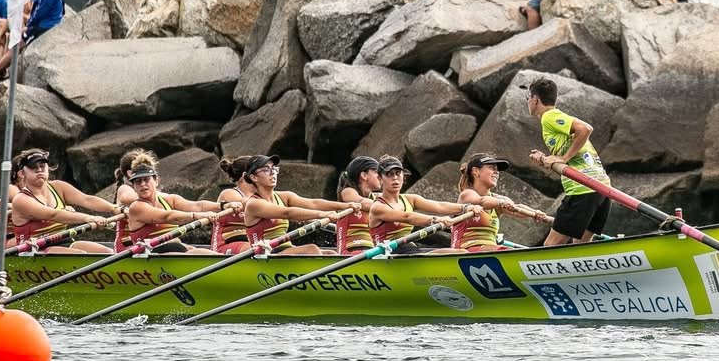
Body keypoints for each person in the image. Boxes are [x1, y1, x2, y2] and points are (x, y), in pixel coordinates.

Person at [525, 78, 611, 246]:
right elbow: (566, 151)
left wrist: (564, 159)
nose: (528, 101)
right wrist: (545, 158)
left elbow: (585, 129)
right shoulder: (555, 120)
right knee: (580, 247)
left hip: (583, 188)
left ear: (534, 99)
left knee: (550, 246)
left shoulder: (549, 116)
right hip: (602, 187)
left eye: (527, 97)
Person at [215, 155, 348, 255]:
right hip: (265, 253)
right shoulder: (253, 203)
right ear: (253, 177)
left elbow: (313, 203)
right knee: (312, 249)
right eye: (266, 170)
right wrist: (322, 214)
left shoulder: (283, 196)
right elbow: (287, 213)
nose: (273, 173)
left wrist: (346, 206)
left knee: (330, 254)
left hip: (282, 249)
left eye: (274, 169)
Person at [5, 148, 118, 254]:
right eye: (33, 167)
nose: (39, 170)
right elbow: (53, 214)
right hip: (33, 249)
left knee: (107, 252)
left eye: (42, 166)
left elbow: (87, 200)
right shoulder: (21, 199)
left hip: (63, 241)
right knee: (80, 256)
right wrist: (89, 218)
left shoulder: (59, 187)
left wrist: (115, 208)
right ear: (22, 173)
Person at [119, 160, 235, 255]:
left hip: (175, 247)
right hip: (150, 254)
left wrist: (223, 205)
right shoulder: (137, 207)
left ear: (156, 181)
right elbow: (167, 216)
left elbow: (197, 205)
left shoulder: (168, 199)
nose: (143, 184)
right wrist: (197, 216)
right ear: (134, 187)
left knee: (210, 255)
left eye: (146, 179)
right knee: (194, 254)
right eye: (138, 182)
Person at [369, 154, 479, 251]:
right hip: (387, 253)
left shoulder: (410, 199)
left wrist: (465, 207)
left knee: (459, 251)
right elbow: (407, 217)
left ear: (403, 175)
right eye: (389, 174)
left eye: (398, 173)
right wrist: (436, 220)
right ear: (380, 178)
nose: (395, 178)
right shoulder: (378, 207)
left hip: (408, 249)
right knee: (455, 252)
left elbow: (439, 206)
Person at [453, 154, 523, 252]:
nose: (496, 172)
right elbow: (482, 201)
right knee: (505, 251)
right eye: (491, 167)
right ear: (476, 171)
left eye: (497, 169)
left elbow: (517, 211)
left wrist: (537, 214)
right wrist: (501, 202)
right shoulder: (467, 195)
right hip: (464, 251)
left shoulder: (497, 199)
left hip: (490, 251)